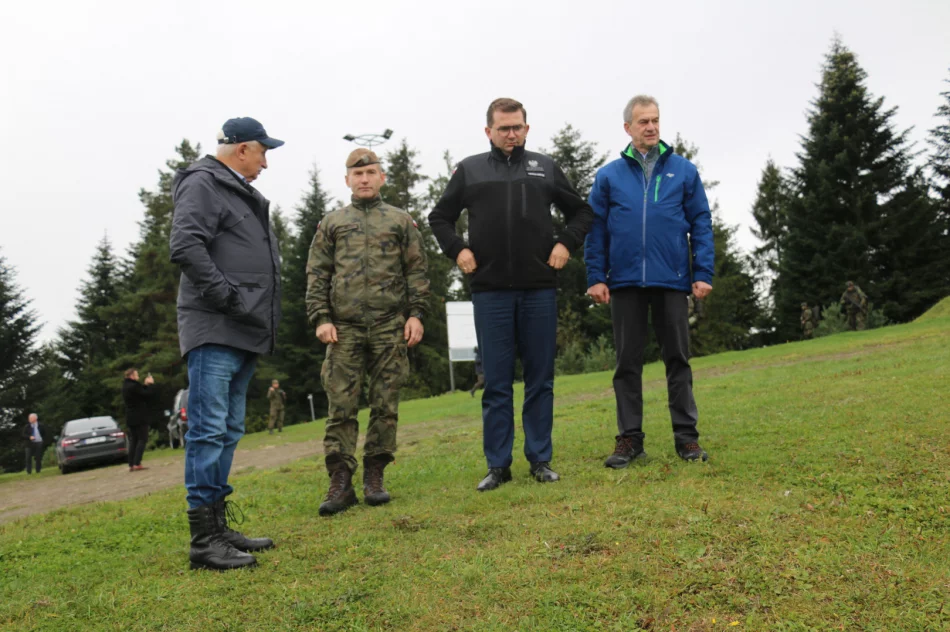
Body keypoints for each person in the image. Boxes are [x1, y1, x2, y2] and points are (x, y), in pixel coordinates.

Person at [429, 97, 594, 492]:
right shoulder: (469, 170)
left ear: (527, 128)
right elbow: (439, 217)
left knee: (540, 379)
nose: (511, 134)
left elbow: (582, 212)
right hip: (490, 293)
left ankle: (540, 460)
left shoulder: (545, 168)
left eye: (517, 127)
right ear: (488, 131)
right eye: (503, 128)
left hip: (539, 289)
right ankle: (498, 466)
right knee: (497, 383)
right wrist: (458, 250)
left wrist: (566, 244)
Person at [169, 116, 284, 571]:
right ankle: (203, 542)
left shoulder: (233, 188)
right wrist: (229, 299)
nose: (266, 163)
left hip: (242, 327)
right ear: (242, 149)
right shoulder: (203, 183)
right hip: (216, 325)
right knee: (208, 430)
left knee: (229, 430)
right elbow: (186, 246)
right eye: (264, 153)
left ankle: (218, 527)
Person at [585, 95, 714, 469]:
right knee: (627, 363)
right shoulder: (608, 176)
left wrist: (702, 272)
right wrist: (596, 276)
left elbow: (701, 223)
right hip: (624, 282)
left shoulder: (684, 172)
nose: (651, 127)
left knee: (677, 359)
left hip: (672, 280)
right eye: (643, 121)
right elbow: (595, 230)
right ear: (628, 128)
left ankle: (687, 439)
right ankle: (630, 439)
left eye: (655, 120)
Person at [306, 148, 430, 516]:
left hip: (390, 326)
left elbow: (417, 272)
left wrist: (416, 314)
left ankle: (375, 475)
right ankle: (340, 481)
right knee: (340, 405)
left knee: (385, 403)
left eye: (371, 173)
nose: (364, 179)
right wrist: (321, 318)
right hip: (342, 329)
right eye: (357, 174)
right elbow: (317, 274)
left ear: (382, 178)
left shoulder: (400, 221)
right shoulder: (332, 223)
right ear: (347, 180)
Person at [122, 368, 157, 471]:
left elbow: (140, 393)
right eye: (136, 375)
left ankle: (131, 464)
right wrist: (150, 384)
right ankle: (137, 463)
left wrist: (145, 385)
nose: (138, 377)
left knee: (134, 440)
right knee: (142, 439)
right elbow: (147, 395)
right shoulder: (134, 386)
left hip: (130, 417)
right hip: (139, 417)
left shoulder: (125, 386)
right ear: (132, 376)